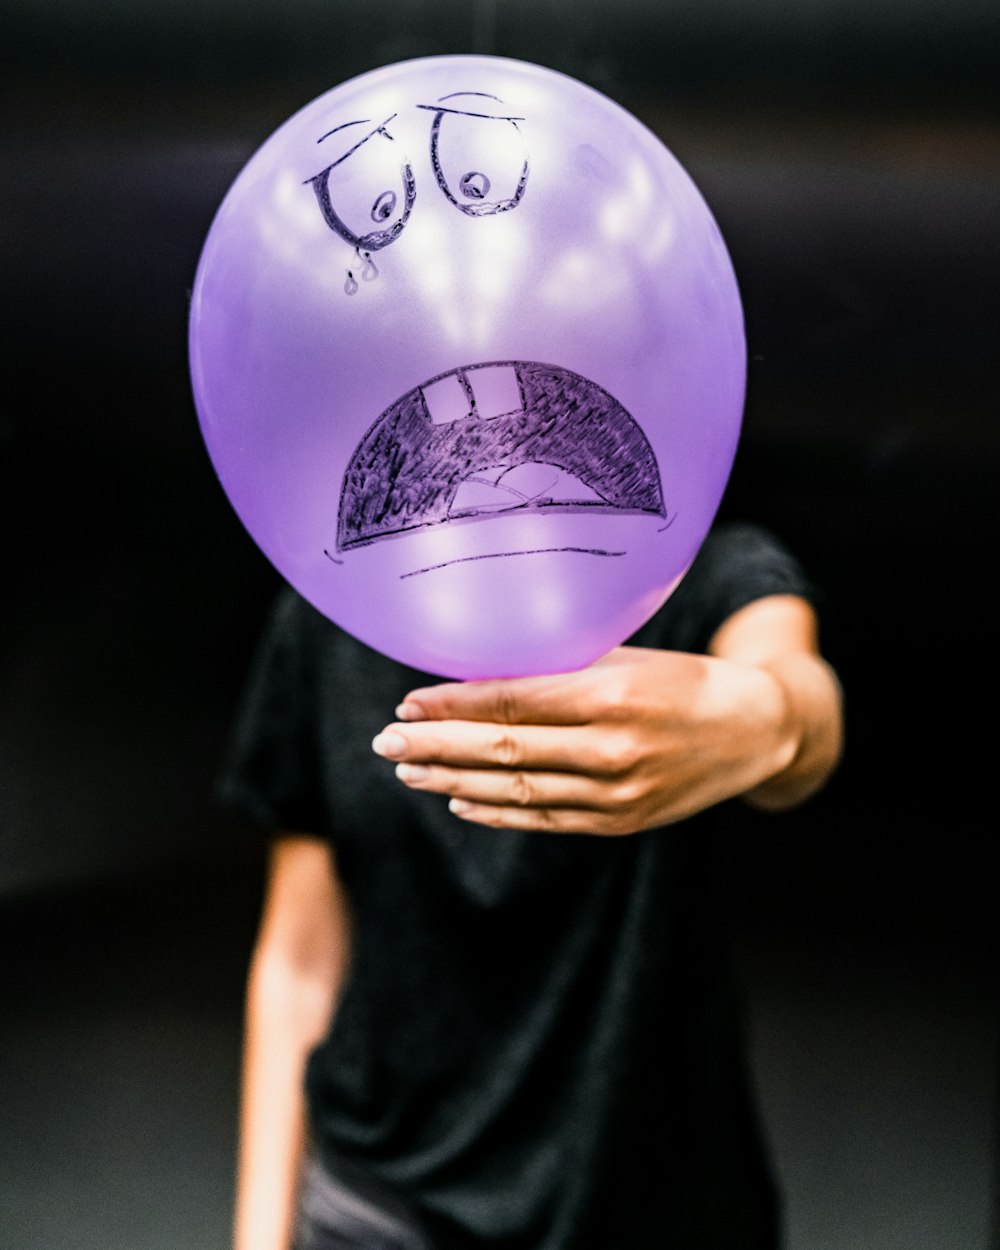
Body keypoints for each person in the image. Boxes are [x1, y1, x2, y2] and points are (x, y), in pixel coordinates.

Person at [220, 519, 844, 1250]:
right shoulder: (327, 617)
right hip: (384, 1204)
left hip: (654, 1197)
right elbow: (299, 965)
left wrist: (769, 718)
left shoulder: (704, 577)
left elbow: (800, 692)